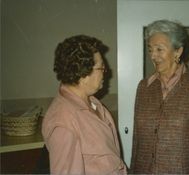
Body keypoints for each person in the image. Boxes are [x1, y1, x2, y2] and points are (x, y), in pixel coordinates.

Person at [130, 19, 189, 174]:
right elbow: (136, 142)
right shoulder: (144, 87)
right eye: (150, 49)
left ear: (178, 51)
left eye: (159, 49)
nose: (153, 55)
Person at [42, 35, 127, 174]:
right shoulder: (63, 122)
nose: (106, 72)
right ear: (83, 74)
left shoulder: (93, 102)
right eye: (101, 68)